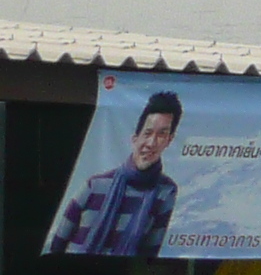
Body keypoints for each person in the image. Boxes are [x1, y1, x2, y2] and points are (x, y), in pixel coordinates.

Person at [48, 90, 185, 258]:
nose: (151, 143)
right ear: (135, 138)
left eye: (162, 134)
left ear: (170, 140)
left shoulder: (166, 192)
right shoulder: (94, 185)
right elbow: (58, 243)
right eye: (147, 133)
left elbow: (149, 253)